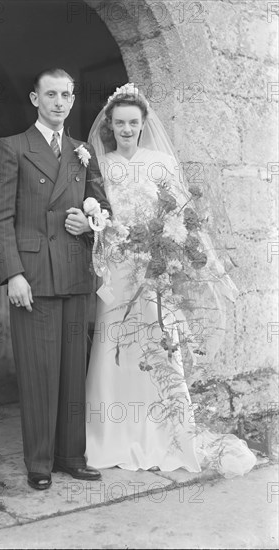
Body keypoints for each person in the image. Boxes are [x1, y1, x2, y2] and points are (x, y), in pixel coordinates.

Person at [85, 83, 257, 478]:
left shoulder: (161, 162)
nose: (126, 129)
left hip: (154, 271)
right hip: (117, 269)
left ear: (144, 123)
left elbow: (183, 217)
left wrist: (208, 267)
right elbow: (101, 218)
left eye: (133, 122)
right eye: (119, 122)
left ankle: (164, 436)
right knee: (114, 350)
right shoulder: (101, 165)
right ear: (110, 125)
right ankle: (109, 436)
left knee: (158, 351)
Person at [0, 68, 111, 490]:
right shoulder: (13, 148)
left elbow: (105, 210)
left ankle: (71, 455)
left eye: (66, 95)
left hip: (75, 273)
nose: (59, 102)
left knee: (73, 369)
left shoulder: (82, 150)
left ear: (74, 101)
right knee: (40, 371)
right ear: (35, 99)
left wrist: (88, 223)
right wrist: (13, 275)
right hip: (35, 277)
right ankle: (39, 463)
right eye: (51, 94)